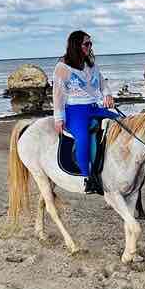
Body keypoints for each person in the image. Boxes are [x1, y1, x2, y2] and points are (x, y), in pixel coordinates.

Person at [53, 30, 118, 194]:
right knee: (83, 138)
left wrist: (108, 94)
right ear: (76, 45)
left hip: (94, 107)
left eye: (90, 43)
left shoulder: (91, 65)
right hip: (75, 111)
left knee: (122, 123)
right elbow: (58, 94)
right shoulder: (62, 67)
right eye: (86, 44)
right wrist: (58, 118)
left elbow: (102, 83)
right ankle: (87, 178)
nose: (90, 47)